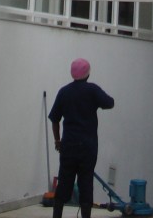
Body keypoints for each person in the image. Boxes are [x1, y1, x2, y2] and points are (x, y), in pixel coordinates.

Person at [48, 58, 114, 218]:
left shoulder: (64, 92)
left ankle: (57, 215)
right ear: (88, 74)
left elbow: (55, 119)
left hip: (68, 146)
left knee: (64, 183)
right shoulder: (92, 90)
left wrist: (57, 140)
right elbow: (109, 103)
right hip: (87, 147)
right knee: (86, 184)